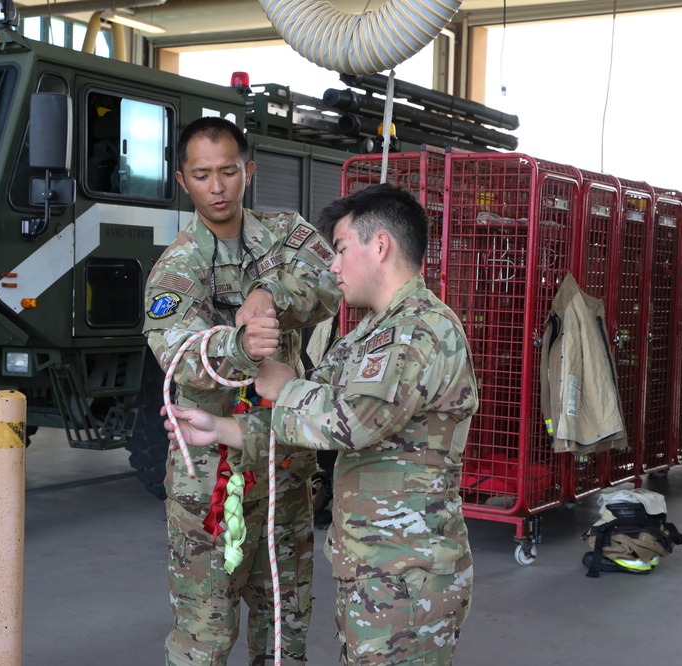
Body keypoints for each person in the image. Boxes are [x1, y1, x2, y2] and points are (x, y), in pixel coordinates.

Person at [165, 183, 480, 664]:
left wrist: (282, 384)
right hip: (375, 569)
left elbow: (349, 423)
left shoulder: (418, 331)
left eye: (339, 249)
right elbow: (311, 420)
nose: (332, 266)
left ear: (380, 246)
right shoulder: (369, 335)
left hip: (409, 575)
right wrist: (222, 430)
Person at [143, 116, 342, 666]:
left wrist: (268, 292)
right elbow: (177, 357)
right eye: (202, 174)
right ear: (183, 182)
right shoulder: (176, 269)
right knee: (205, 633)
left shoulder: (286, 232)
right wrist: (242, 349)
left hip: (283, 462)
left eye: (228, 171)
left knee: (285, 620)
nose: (217, 186)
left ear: (248, 172)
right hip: (210, 475)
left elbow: (331, 281)